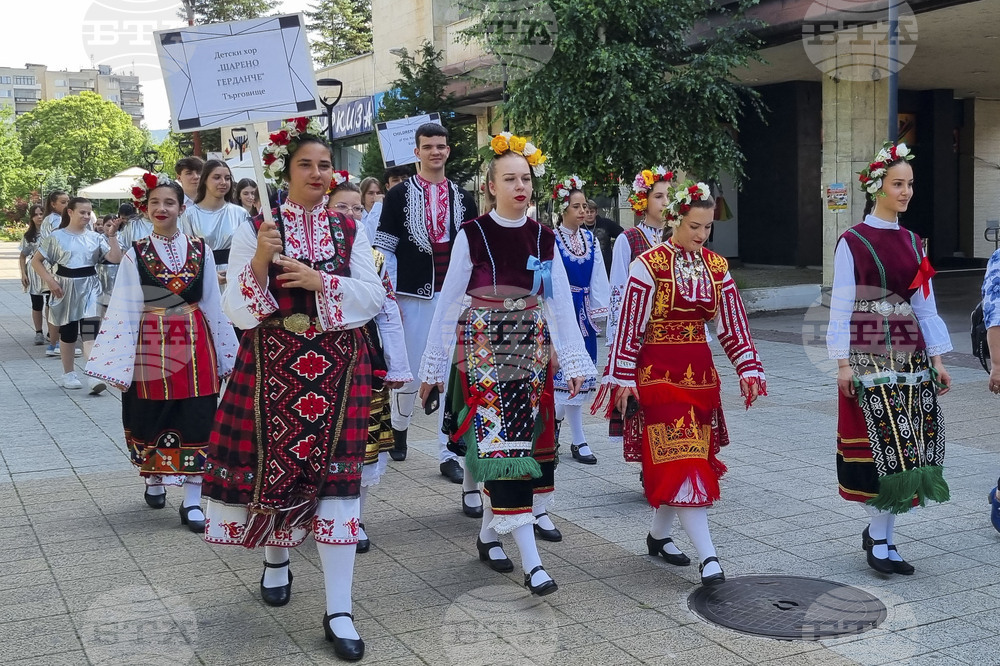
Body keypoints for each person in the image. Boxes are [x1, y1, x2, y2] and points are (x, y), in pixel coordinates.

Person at [202, 117, 384, 661]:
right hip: (272, 369)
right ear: (287, 170)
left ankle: (339, 609)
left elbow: (374, 297)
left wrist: (320, 282)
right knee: (274, 473)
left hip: (336, 370)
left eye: (325, 165)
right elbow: (238, 308)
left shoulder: (350, 229)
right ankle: (277, 560)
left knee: (337, 487)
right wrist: (261, 256)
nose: (316, 173)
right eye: (305, 164)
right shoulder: (255, 226)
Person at [418, 134, 593, 596]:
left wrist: (573, 358)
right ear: (491, 186)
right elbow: (449, 300)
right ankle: (533, 564)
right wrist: (434, 369)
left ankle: (486, 536)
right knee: (504, 451)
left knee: (522, 449)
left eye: (526, 178)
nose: (521, 186)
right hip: (484, 356)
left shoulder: (544, 236)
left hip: (531, 354)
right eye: (510, 178)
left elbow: (555, 304)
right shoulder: (472, 233)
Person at [598, 180, 765, 586]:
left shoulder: (716, 267)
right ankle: (710, 558)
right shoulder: (648, 264)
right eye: (694, 226)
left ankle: (658, 535)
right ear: (675, 219)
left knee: (686, 459)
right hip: (656, 376)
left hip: (700, 377)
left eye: (707, 227)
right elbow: (628, 328)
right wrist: (621, 377)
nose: (701, 235)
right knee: (684, 458)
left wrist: (748, 366)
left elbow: (732, 324)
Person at [85, 174, 238, 529]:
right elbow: (123, 306)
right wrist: (117, 361)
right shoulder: (136, 253)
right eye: (155, 203)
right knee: (149, 412)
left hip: (196, 338)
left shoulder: (202, 250)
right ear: (145, 208)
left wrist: (227, 350)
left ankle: (193, 499)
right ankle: (154, 478)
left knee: (198, 412)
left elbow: (213, 302)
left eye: (169, 202)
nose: (161, 208)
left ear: (182, 208)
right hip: (150, 340)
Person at [827, 141, 951, 575]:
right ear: (877, 187)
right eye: (898, 183)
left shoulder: (916, 243)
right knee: (882, 445)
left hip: (909, 350)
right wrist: (842, 363)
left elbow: (925, 304)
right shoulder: (854, 241)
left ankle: (884, 539)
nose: (906, 191)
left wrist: (936, 358)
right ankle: (880, 542)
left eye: (910, 184)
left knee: (908, 448)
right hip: (868, 348)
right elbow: (842, 305)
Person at [373, 122, 479, 493]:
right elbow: (384, 248)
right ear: (416, 152)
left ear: (448, 151)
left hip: (453, 299)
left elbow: (473, 252)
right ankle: (400, 429)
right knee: (410, 372)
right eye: (428, 146)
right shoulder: (399, 195)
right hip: (411, 297)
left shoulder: (464, 198)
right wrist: (390, 298)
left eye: (441, 146)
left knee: (450, 375)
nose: (435, 151)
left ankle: (447, 453)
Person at [329, 177, 411, 552]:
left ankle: (355, 517)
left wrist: (397, 365)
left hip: (364, 355)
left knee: (364, 443)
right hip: (321, 358)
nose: (350, 214)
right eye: (340, 208)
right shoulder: (311, 254)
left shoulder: (374, 258)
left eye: (356, 208)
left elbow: (389, 312)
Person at [598, 167, 675, 463]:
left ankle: (672, 454)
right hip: (640, 335)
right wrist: (618, 340)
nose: (665, 201)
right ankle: (649, 461)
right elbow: (618, 291)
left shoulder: (676, 237)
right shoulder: (628, 239)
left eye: (669, 195)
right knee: (646, 400)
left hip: (670, 334)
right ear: (643, 201)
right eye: (658, 196)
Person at [31, 197, 123, 392]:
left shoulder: (95, 237)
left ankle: (92, 374)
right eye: (82, 212)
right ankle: (68, 373)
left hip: (90, 286)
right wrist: (50, 280)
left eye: (89, 213)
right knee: (69, 332)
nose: (86, 216)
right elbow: (36, 261)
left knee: (90, 332)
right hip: (65, 287)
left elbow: (115, 258)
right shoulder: (57, 237)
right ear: (70, 212)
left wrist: (112, 236)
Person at [551, 177, 609, 472]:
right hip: (562, 312)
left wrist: (601, 310)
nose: (582, 210)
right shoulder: (551, 239)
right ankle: (561, 431)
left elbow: (598, 275)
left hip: (583, 312)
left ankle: (575, 435)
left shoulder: (591, 240)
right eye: (576, 206)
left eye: (584, 205)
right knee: (563, 377)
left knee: (581, 378)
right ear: (563, 208)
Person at [179, 160, 249, 285]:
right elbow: (185, 253)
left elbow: (248, 249)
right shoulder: (189, 215)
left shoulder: (240, 213)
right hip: (203, 279)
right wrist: (206, 274)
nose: (223, 182)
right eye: (217, 177)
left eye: (227, 178)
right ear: (205, 180)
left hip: (236, 277)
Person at [40, 190, 70, 355]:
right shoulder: (56, 220)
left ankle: (54, 342)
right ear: (53, 204)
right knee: (58, 305)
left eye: (68, 201)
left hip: (50, 264)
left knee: (53, 304)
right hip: (55, 266)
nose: (67, 205)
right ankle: (56, 343)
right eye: (63, 202)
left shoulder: (49, 219)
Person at [19, 204, 47, 345]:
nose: (39, 217)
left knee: (51, 303)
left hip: (49, 270)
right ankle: (39, 332)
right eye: (36, 214)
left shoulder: (50, 232)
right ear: (31, 217)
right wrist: (23, 273)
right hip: (34, 272)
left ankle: (52, 331)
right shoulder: (29, 235)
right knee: (36, 303)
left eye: (41, 213)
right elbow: (23, 255)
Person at [584, 199, 623, 277]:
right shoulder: (578, 226)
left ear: (596, 212)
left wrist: (617, 251)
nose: (589, 214)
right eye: (587, 212)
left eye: (592, 212)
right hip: (586, 265)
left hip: (606, 265)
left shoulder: (606, 223)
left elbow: (623, 235)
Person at [358, 176, 383, 243]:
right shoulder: (358, 217)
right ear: (363, 196)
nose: (375, 196)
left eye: (378, 193)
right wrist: (377, 205)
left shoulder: (386, 214)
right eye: (371, 193)